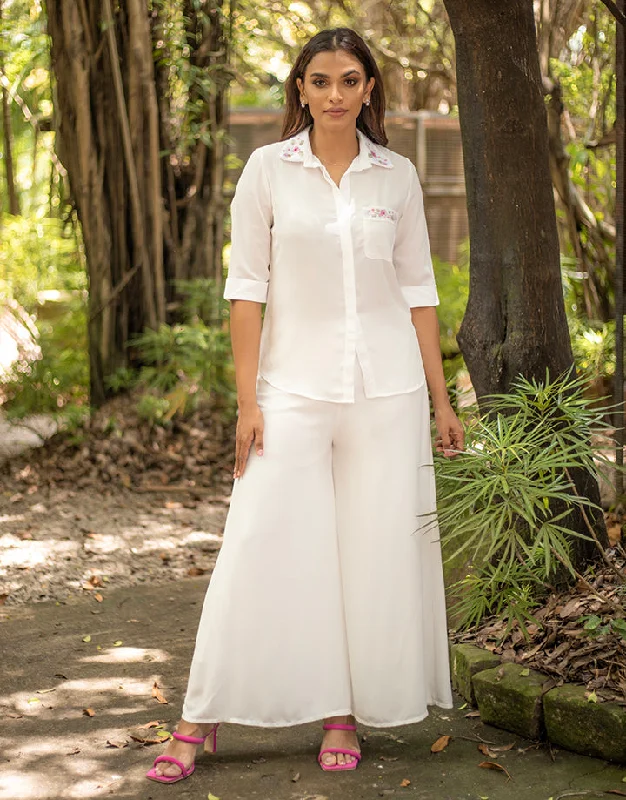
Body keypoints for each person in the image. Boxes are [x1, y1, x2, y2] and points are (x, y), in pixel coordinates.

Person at [146, 26, 464, 785]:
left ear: (368, 89)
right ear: (300, 89)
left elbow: (418, 292)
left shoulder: (398, 177)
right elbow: (246, 290)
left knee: (367, 555)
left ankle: (341, 710)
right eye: (319, 80)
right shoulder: (267, 171)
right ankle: (199, 716)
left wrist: (441, 401)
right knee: (257, 540)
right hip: (288, 390)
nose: (333, 94)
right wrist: (246, 401)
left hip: (385, 394)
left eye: (349, 80)